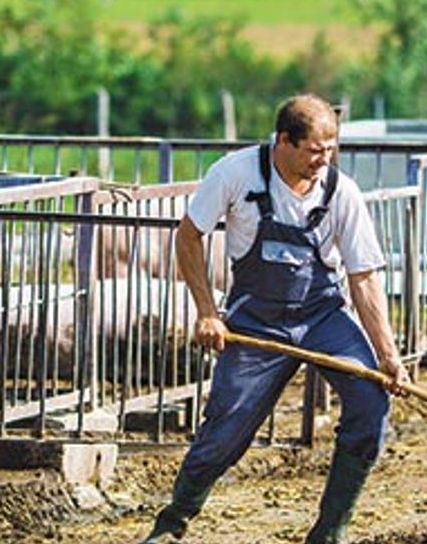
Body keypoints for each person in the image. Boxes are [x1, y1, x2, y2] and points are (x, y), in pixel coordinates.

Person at [141, 93, 410, 544]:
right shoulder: (235, 173)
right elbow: (187, 239)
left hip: (323, 317)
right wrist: (208, 312)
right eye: (314, 151)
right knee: (224, 435)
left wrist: (388, 356)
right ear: (283, 140)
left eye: (331, 150)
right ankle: (171, 526)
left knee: (370, 406)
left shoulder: (340, 191)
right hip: (254, 323)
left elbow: (363, 278)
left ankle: (330, 532)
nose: (323, 161)